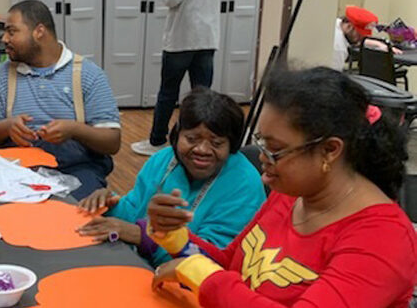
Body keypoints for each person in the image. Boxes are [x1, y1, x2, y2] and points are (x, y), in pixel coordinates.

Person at [149, 67, 417, 307]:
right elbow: (231, 265)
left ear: (329, 150)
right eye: (261, 143)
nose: (263, 159)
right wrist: (176, 238)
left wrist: (201, 274)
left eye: (275, 150)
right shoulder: (292, 195)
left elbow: (214, 278)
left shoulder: (382, 239)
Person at [76, 88, 265, 267]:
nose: (202, 150)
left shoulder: (244, 185)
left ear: (232, 146)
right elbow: (135, 209)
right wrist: (109, 205)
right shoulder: (164, 159)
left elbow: (210, 260)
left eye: (216, 143)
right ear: (177, 135)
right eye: (191, 139)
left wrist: (143, 236)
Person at [0, 0, 121, 199]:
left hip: (77, 169)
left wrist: (74, 130)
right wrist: (7, 127)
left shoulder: (88, 75)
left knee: (77, 218)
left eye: (11, 31)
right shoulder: (2, 76)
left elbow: (112, 142)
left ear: (39, 31)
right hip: (16, 170)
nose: (4, 38)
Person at [131, 0, 220, 156]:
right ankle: (201, 139)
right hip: (207, 36)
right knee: (202, 96)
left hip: (182, 37)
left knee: (168, 92)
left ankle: (157, 140)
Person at [332, 5, 402, 71]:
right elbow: (331, 78)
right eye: (360, 34)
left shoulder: (335, 23)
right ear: (349, 26)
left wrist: (379, 44)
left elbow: (356, 40)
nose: (362, 38)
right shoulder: (338, 48)